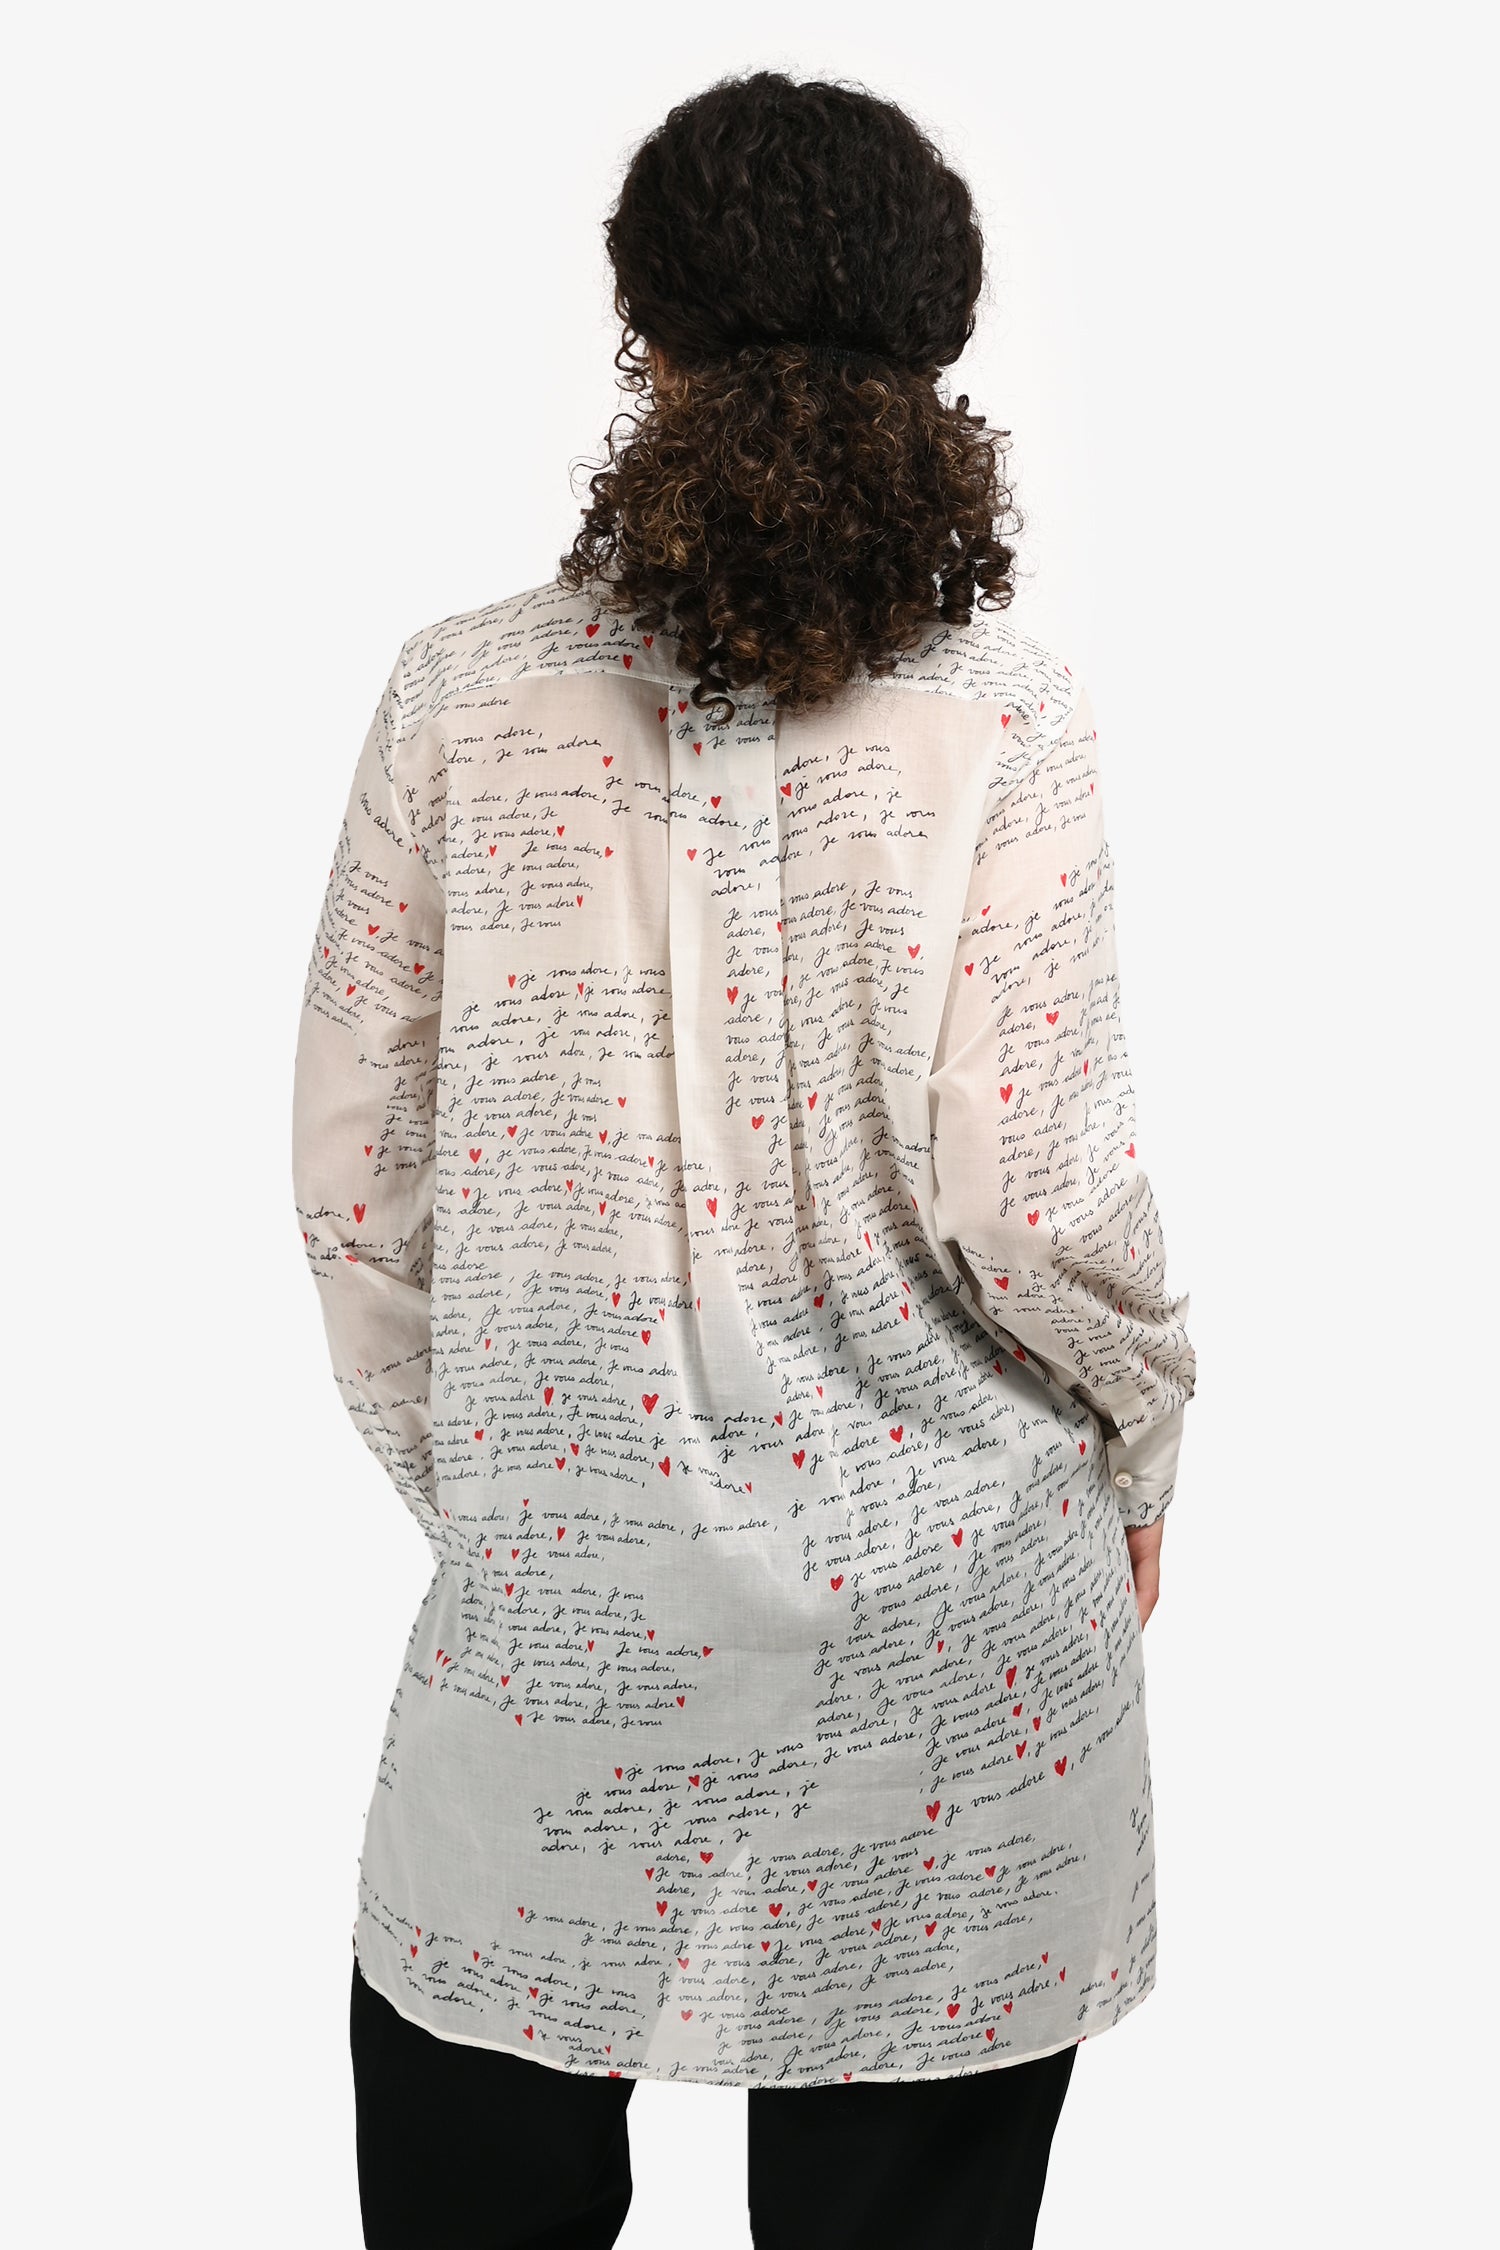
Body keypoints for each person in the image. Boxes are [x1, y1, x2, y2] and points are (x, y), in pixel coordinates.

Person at [291, 65, 1197, 2250]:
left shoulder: (458, 696)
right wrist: (1146, 1450)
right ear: (937, 350)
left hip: (557, 1656)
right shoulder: (1008, 714)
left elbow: (354, 1180)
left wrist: (513, 1488)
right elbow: (1036, 1201)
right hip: (962, 1646)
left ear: (650, 336)